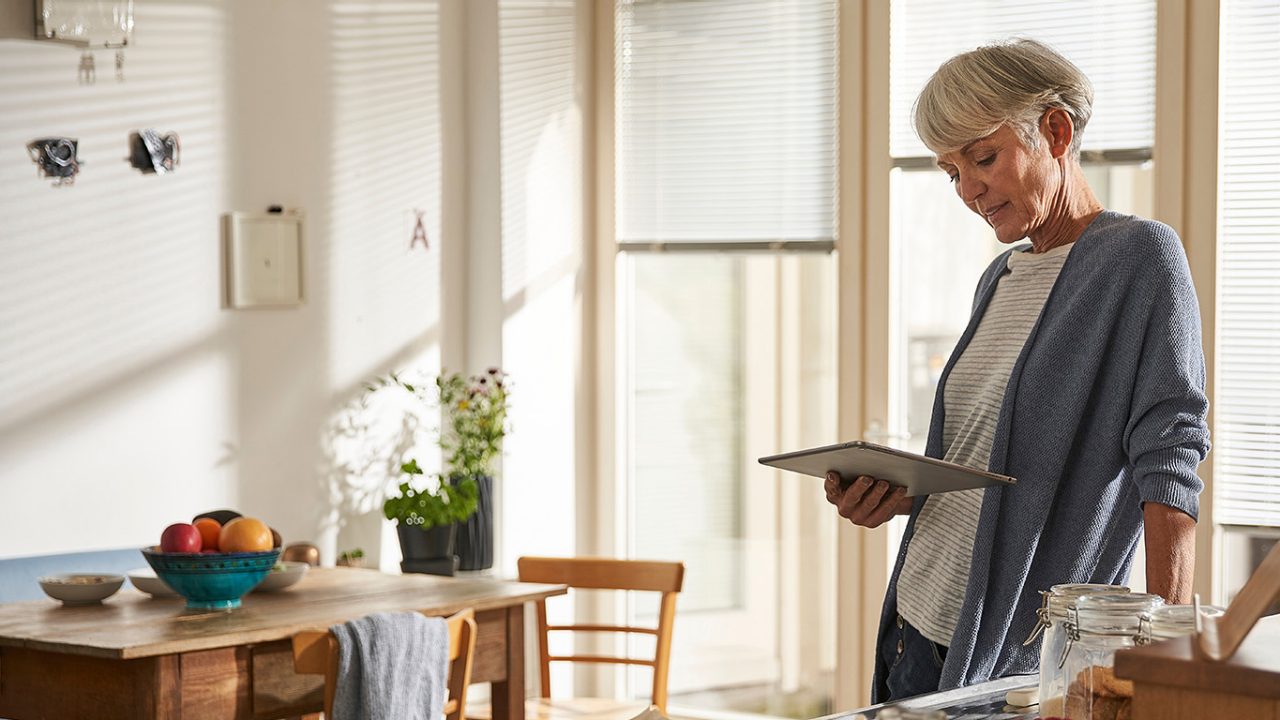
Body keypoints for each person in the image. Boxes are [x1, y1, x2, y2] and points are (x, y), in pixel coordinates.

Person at [823, 39, 1210, 703]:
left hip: (1010, 650)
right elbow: (1006, 476)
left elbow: (1170, 458)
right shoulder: (998, 279)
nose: (968, 190)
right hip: (914, 622)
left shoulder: (1138, 257)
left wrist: (1162, 665)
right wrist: (902, 496)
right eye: (951, 172)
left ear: (1055, 131)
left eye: (983, 157)